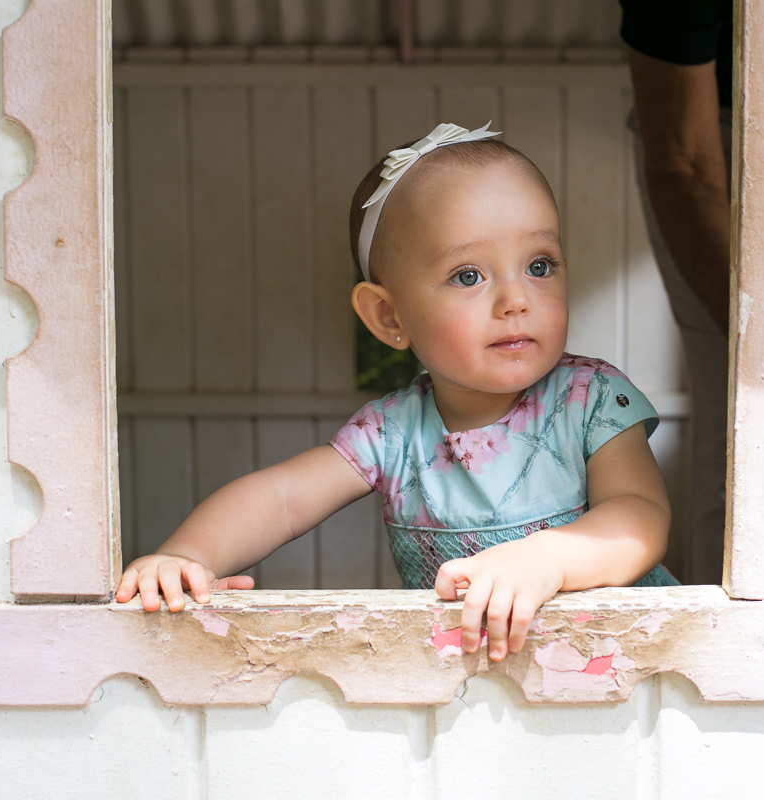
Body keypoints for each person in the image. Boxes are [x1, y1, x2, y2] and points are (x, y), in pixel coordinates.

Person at [115, 123, 678, 662]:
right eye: (468, 275)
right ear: (388, 317)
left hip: (624, 664)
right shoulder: (393, 433)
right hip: (474, 679)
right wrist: (186, 556)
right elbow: (280, 499)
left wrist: (548, 559)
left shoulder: (592, 399)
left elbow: (639, 516)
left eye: (539, 265)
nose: (516, 300)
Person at [621, 0, 733, 585]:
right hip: (713, 135)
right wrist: (757, 335)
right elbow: (683, 164)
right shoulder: (391, 428)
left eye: (541, 266)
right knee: (745, 428)